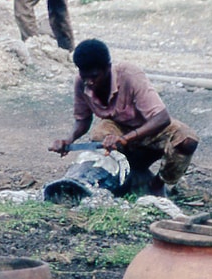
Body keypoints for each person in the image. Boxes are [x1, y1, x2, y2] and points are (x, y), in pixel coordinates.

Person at [50, 38, 199, 196]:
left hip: (148, 125)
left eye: (94, 76)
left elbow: (162, 118)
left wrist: (127, 138)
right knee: (100, 137)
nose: (90, 82)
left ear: (107, 68)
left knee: (187, 140)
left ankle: (157, 183)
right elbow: (83, 119)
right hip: (117, 125)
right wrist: (69, 139)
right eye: (84, 76)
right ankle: (126, 177)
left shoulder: (130, 74)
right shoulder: (82, 82)